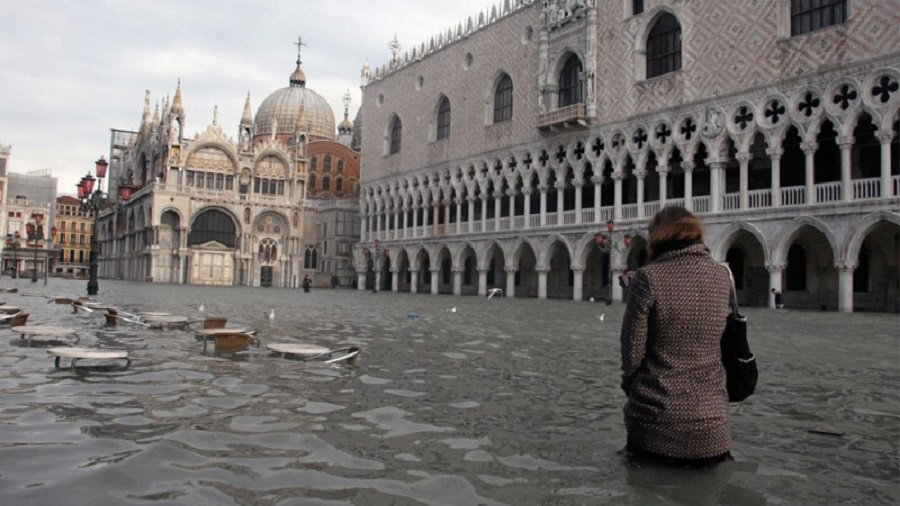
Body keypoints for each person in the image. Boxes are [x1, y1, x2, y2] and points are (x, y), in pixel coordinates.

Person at [620, 206, 733, 467]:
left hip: (656, 423)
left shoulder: (648, 277)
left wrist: (630, 387)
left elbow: (632, 354)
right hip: (713, 428)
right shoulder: (722, 276)